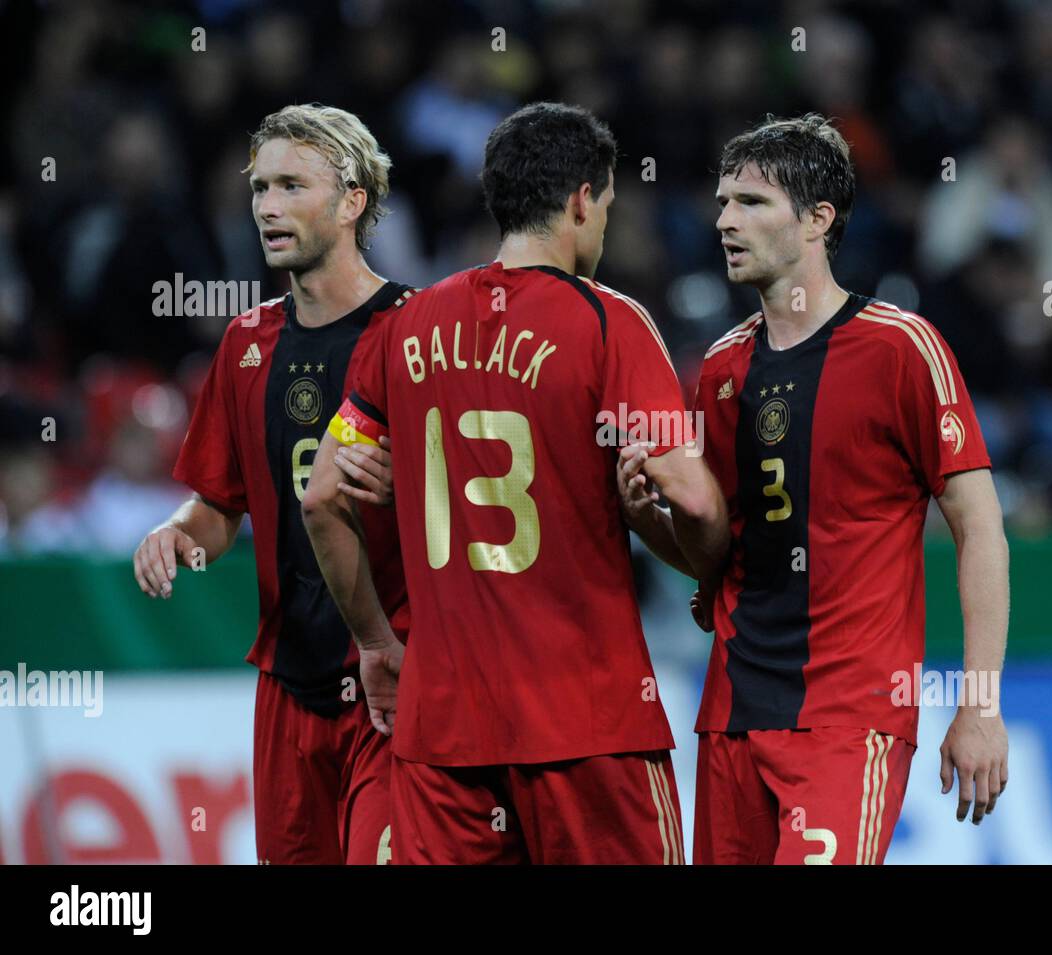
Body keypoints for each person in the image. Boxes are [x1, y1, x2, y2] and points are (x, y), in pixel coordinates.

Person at [303, 102, 729, 864]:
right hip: (590, 723)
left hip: (444, 732)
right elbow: (694, 498)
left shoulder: (402, 327)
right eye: (604, 206)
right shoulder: (608, 323)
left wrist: (374, 640)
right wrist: (689, 541)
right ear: (580, 201)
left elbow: (322, 495)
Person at [618, 114, 1010, 864]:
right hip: (730, 715)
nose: (726, 220)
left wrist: (980, 705)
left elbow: (979, 528)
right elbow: (719, 556)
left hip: (849, 717)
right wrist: (652, 521)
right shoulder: (724, 371)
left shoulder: (902, 348)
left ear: (817, 220)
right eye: (724, 202)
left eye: (752, 203)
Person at [133, 104, 411, 864]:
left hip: (395, 685)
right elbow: (221, 505)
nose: (267, 207)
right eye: (260, 189)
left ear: (353, 200)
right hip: (287, 689)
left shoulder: (417, 333)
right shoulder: (245, 342)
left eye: (291, 185)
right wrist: (179, 533)